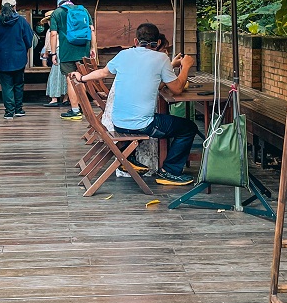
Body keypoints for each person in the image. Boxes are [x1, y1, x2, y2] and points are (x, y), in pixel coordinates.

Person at [70, 23, 197, 186]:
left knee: (160, 120)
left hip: (119, 123)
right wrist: (185, 67)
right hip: (141, 125)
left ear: (136, 41)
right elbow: (178, 89)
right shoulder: (161, 58)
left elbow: (102, 72)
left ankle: (128, 157)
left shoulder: (124, 55)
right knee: (188, 128)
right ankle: (169, 172)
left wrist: (81, 78)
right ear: (158, 43)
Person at [0, 0, 33, 119]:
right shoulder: (21, 21)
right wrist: (24, 48)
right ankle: (19, 109)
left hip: (2, 58)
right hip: (19, 57)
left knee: (6, 86)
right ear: (15, 6)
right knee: (18, 84)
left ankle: (9, 112)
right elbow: (29, 39)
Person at [48, 0, 94, 120]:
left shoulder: (56, 13)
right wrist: (92, 48)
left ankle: (75, 111)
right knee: (82, 78)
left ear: (59, 5)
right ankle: (84, 107)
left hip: (67, 52)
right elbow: (92, 30)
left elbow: (53, 34)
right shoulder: (83, 10)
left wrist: (53, 53)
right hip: (84, 50)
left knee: (71, 79)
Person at [39, 10, 66, 107]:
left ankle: (55, 99)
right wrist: (46, 52)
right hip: (60, 52)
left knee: (56, 75)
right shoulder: (54, 30)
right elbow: (47, 45)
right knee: (62, 75)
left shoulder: (55, 30)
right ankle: (64, 98)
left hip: (58, 52)